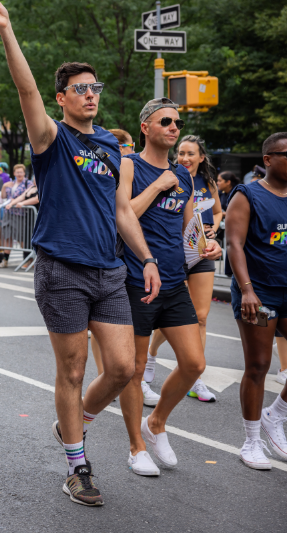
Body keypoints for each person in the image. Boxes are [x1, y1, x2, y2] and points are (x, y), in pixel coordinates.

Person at [0, 0, 161, 506]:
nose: (90, 95)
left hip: (109, 269)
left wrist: (145, 258)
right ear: (62, 98)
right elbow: (26, 89)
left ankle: (72, 425)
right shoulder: (51, 138)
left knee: (124, 368)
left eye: (94, 87)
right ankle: (78, 467)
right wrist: (6, 29)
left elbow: (123, 210)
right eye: (80, 89)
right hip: (61, 269)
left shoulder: (110, 145)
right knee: (74, 371)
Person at [117, 99, 222, 477]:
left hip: (176, 280)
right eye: (166, 121)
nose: (174, 127)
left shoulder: (186, 176)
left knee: (194, 363)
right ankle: (136, 446)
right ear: (146, 126)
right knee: (135, 367)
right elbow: (122, 214)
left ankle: (156, 422)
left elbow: (189, 229)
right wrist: (160, 184)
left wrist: (208, 244)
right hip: (138, 279)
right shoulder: (129, 164)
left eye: (177, 122)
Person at [145, 135, 224, 404]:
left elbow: (217, 211)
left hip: (200, 250)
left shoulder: (207, 182)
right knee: (170, 315)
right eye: (181, 153)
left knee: (200, 317)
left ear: (201, 157)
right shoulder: (169, 176)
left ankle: (195, 379)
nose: (184, 158)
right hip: (172, 253)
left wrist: (212, 230)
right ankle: (150, 355)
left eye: (191, 154)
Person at [225, 131, 287, 470]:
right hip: (259, 294)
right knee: (259, 365)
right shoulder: (247, 195)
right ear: (268, 160)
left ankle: (275, 414)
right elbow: (235, 245)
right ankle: (251, 442)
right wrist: (247, 289)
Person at [90, 129, 138, 374]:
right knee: (101, 325)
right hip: (112, 253)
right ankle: (102, 374)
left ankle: (141, 368)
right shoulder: (104, 166)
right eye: (115, 144)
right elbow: (125, 210)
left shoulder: (135, 167)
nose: (119, 149)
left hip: (135, 255)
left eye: (124, 144)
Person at [0, 163, 33, 268]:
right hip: (8, 213)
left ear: (24, 173)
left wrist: (16, 202)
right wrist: (4, 186)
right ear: (14, 173)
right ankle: (5, 261)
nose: (19, 174)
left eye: (21, 172)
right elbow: (4, 196)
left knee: (21, 237)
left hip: (20, 214)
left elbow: (29, 196)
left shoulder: (28, 183)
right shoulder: (10, 183)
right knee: (7, 236)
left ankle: (27, 260)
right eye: (17, 172)